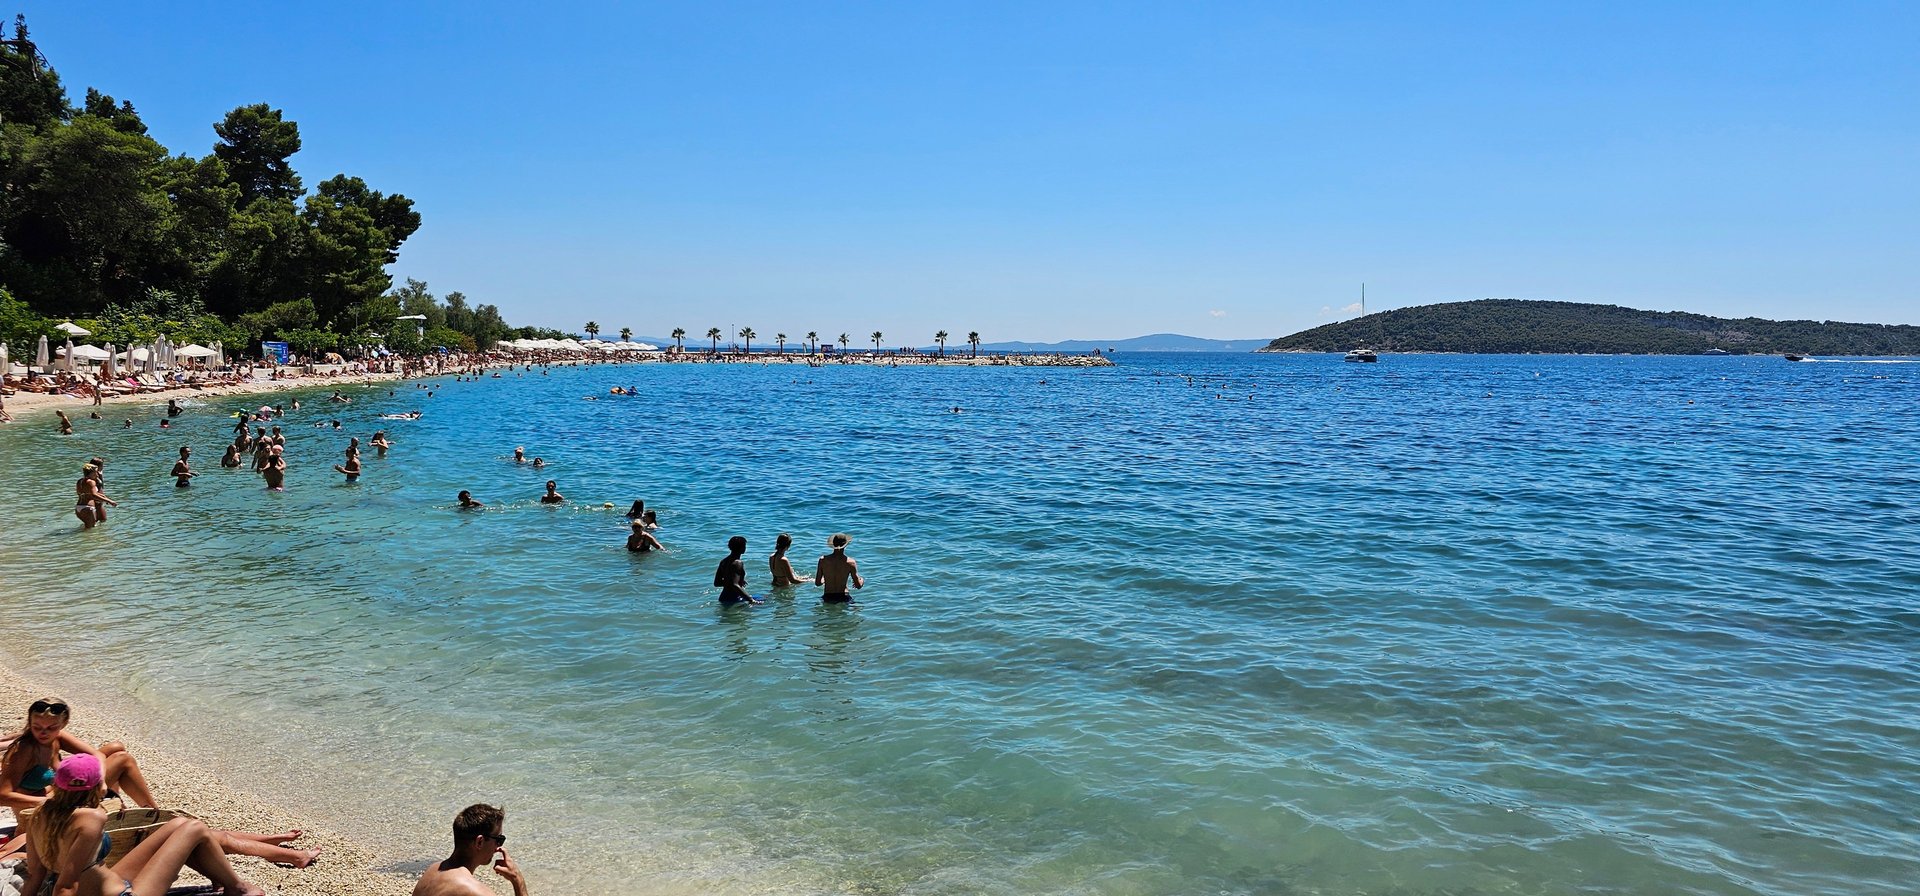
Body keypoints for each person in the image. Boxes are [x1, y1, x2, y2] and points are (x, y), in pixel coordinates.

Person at [0, 702, 316, 869]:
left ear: (62, 724)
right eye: (37, 726)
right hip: (60, 816)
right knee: (196, 833)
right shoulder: (25, 753)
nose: (43, 732)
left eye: (50, 727)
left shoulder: (57, 746)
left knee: (184, 824)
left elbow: (96, 754)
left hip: (68, 809)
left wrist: (93, 782)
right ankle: (289, 855)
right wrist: (53, 799)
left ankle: (152, 811)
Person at [20, 755, 268, 896]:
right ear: (98, 786)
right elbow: (67, 886)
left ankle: (221, 883)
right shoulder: (92, 818)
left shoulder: (40, 814)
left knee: (179, 824)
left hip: (108, 883)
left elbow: (36, 874)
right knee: (195, 829)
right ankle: (239, 888)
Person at [412, 803, 527, 896]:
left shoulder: (433, 870)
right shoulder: (475, 891)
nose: (498, 847)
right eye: (498, 839)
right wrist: (517, 879)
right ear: (479, 842)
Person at [815, 533, 864, 603]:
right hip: (844, 597)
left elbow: (817, 583)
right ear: (845, 545)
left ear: (833, 544)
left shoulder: (823, 560)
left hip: (828, 597)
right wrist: (862, 580)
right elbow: (858, 586)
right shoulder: (850, 562)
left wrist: (824, 580)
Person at [713, 536, 760, 605]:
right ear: (741, 548)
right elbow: (735, 584)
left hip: (723, 598)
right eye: (744, 546)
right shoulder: (737, 563)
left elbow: (717, 583)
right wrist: (751, 600)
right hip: (733, 599)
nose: (745, 548)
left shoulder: (723, 561)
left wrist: (731, 580)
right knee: (764, 600)